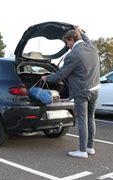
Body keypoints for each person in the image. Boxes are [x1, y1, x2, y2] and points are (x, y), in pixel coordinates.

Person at [42, 27, 100, 159]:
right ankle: (90, 147)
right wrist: (81, 31)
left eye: (67, 43)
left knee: (82, 120)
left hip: (82, 91)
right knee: (91, 118)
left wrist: (46, 78)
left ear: (72, 39)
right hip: (95, 89)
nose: (67, 46)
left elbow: (60, 75)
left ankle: (82, 150)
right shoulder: (92, 47)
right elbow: (86, 38)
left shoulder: (73, 55)